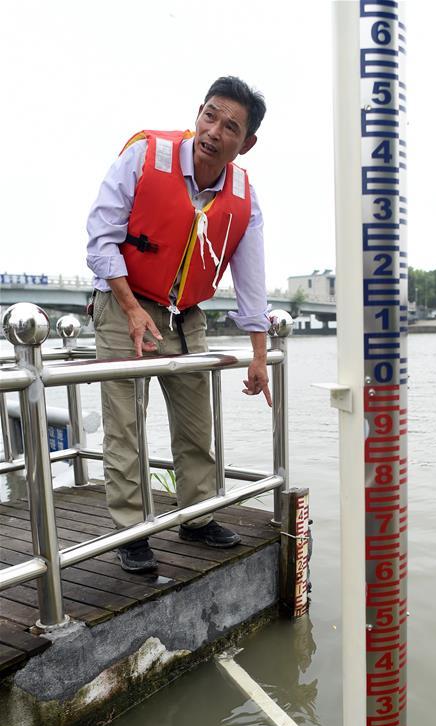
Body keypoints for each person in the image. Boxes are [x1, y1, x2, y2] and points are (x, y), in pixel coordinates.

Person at [86, 76, 271, 573]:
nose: (214, 130)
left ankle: (198, 514)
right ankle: (132, 530)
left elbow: (251, 282)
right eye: (209, 115)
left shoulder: (244, 197)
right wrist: (129, 307)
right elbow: (100, 239)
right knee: (125, 425)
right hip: (124, 305)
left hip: (185, 315)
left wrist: (258, 355)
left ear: (246, 142)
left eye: (230, 125)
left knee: (197, 424)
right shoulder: (144, 156)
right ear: (198, 114)